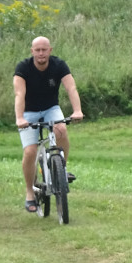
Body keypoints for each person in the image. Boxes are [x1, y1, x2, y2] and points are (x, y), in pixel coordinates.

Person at [13, 36, 84, 213]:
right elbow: (19, 94)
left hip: (51, 108)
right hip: (29, 112)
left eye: (44, 50)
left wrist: (77, 110)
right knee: (30, 151)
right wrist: (20, 118)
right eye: (37, 50)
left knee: (61, 129)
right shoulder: (23, 68)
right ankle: (30, 193)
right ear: (32, 51)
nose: (41, 53)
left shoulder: (59, 65)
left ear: (50, 50)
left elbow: (71, 88)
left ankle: (61, 170)